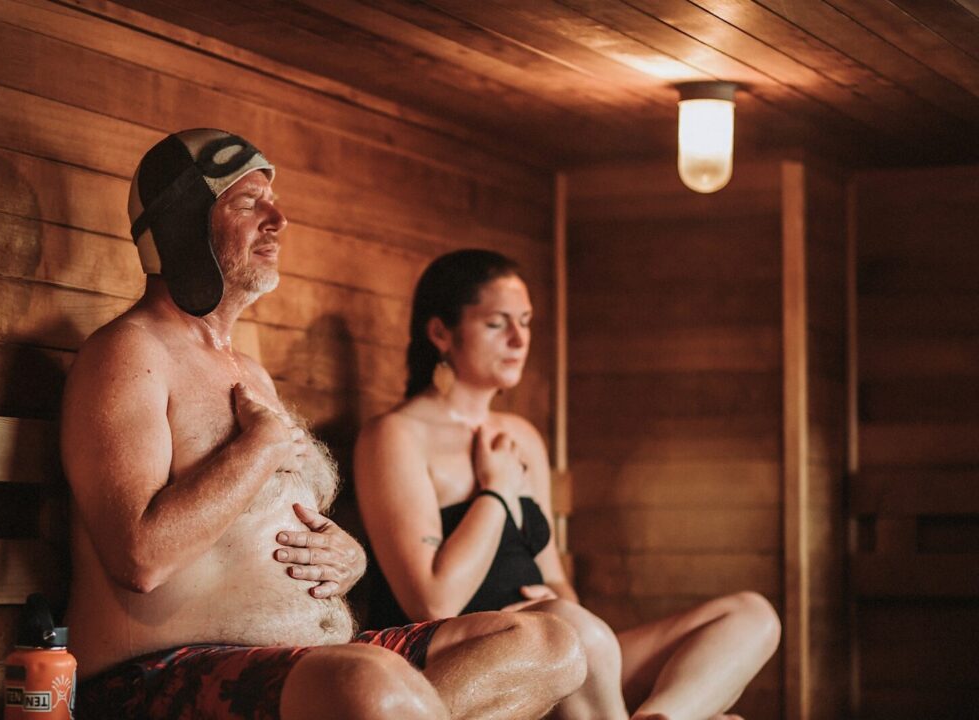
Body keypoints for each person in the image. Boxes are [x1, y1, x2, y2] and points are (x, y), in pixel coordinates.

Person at [60, 130, 586, 720]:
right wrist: (258, 447)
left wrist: (351, 558)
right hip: (159, 674)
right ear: (182, 223)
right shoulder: (128, 354)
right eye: (246, 201)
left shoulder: (249, 373)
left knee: (550, 645)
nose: (277, 218)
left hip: (310, 661)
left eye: (272, 201)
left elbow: (260, 528)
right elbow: (140, 556)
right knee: (370, 682)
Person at [355, 249, 781, 720]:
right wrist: (496, 492)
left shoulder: (521, 436)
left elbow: (551, 573)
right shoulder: (395, 436)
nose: (519, 339)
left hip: (564, 646)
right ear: (440, 332)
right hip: (477, 663)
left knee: (750, 615)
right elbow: (431, 600)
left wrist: (565, 606)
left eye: (526, 321)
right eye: (498, 324)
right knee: (569, 628)